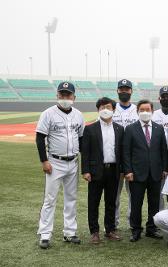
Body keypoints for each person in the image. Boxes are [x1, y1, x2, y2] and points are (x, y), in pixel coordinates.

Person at [35, 82, 84, 249]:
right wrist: (44, 161)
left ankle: (69, 232)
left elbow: (82, 139)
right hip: (54, 162)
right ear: (57, 95)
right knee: (50, 199)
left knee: (71, 198)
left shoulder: (78, 115)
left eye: (68, 95)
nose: (65, 98)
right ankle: (45, 233)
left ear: (74, 97)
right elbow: (40, 138)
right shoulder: (48, 114)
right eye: (62, 94)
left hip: (73, 162)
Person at [123, 99, 168, 242]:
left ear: (152, 111)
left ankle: (151, 228)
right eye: (142, 110)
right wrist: (128, 171)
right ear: (137, 112)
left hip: (156, 173)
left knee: (154, 202)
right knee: (136, 203)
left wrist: (164, 169)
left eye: (147, 109)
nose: (145, 112)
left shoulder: (159, 128)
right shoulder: (130, 129)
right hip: (136, 174)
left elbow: (163, 151)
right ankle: (136, 230)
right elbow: (126, 152)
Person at [81, 97, 124, 244]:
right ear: (98, 110)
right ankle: (94, 232)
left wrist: (123, 169)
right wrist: (85, 170)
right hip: (95, 171)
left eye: (108, 107)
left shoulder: (119, 128)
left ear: (113, 109)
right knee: (94, 202)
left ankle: (110, 230)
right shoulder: (90, 129)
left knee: (111, 202)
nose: (105, 110)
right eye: (101, 107)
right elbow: (85, 152)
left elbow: (121, 151)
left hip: (113, 170)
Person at [113, 79, 139, 229]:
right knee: (113, 195)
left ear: (131, 91)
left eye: (126, 89)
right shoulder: (111, 108)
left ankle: (132, 223)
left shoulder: (137, 110)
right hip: (114, 158)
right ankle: (112, 223)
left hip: (133, 159)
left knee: (133, 195)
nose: (124, 91)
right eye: (121, 89)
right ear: (117, 91)